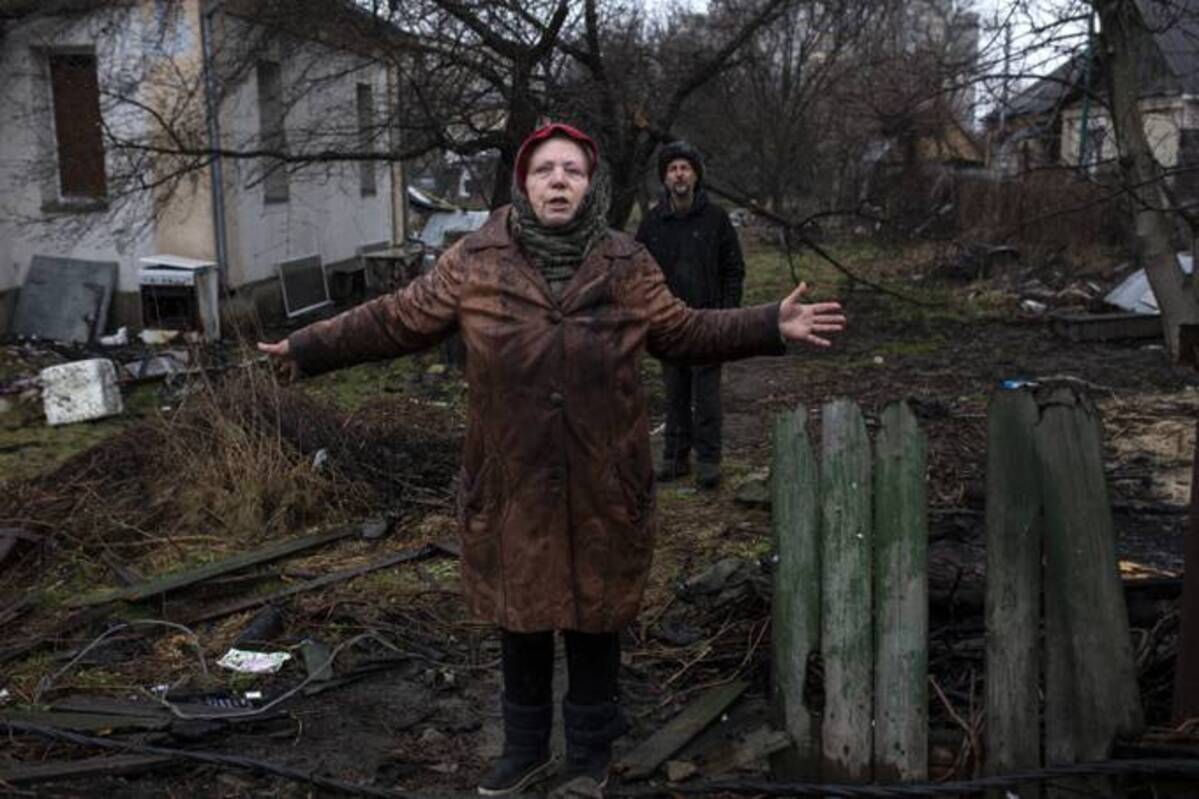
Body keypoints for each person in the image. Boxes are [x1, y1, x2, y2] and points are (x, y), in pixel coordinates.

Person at [258, 122, 845, 797]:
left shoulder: (626, 262)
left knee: (597, 618)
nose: (558, 179)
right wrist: (307, 347)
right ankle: (525, 751)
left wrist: (769, 322)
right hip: (512, 481)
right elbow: (395, 318)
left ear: (590, 184)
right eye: (544, 169)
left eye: (571, 169)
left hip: (605, 477)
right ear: (523, 183)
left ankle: (590, 756)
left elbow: (683, 331)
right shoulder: (474, 260)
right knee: (522, 618)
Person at [636, 140, 743, 489]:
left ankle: (709, 461)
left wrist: (727, 313)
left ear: (695, 176)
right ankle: (675, 458)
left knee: (707, 396)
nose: (679, 174)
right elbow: (638, 272)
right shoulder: (653, 223)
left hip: (709, 321)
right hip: (668, 323)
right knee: (675, 392)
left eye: (685, 168)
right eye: (672, 169)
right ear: (665, 178)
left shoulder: (716, 219)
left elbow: (733, 268)